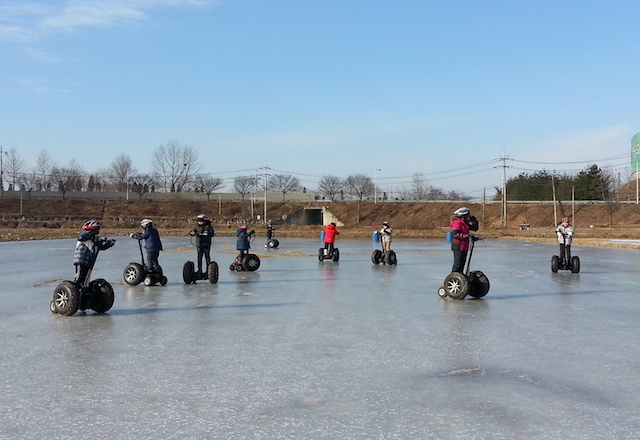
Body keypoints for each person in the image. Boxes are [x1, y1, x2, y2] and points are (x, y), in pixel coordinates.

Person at [73, 219, 115, 286]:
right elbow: (81, 237)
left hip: (89, 262)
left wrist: (109, 243)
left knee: (85, 278)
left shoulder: (96, 238)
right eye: (97, 228)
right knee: (79, 277)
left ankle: (84, 289)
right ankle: (75, 287)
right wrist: (90, 235)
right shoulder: (85, 234)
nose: (98, 230)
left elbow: (101, 246)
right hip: (81, 260)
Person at [450, 207, 478, 273]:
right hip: (458, 246)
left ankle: (460, 279)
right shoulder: (457, 223)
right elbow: (456, 234)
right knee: (458, 265)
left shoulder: (464, 223)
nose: (469, 217)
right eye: (467, 215)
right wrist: (466, 236)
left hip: (464, 246)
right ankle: (453, 279)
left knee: (462, 265)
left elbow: (475, 228)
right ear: (462, 216)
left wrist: (474, 221)